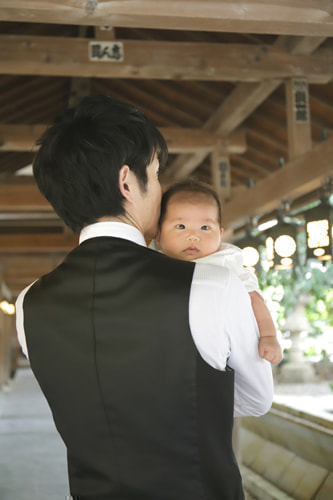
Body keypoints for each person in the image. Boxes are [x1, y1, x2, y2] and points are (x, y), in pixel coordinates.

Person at [15, 95, 274, 500]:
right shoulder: (210, 285)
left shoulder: (30, 304)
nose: (160, 189)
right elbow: (256, 400)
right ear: (126, 183)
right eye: (154, 174)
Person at [151, 179, 283, 365]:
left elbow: (255, 299)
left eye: (205, 228)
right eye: (181, 226)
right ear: (158, 234)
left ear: (220, 235)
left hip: (214, 350)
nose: (193, 236)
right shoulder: (151, 262)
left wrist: (269, 335)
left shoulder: (226, 263)